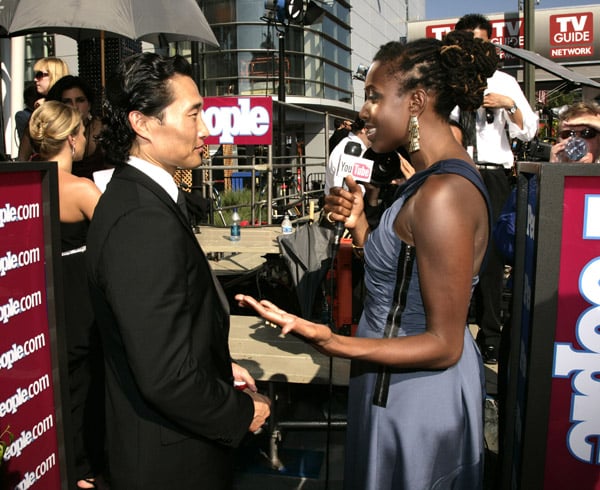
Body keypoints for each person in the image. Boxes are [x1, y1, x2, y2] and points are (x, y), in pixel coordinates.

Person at [237, 30, 497, 489]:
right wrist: (361, 225)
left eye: (375, 97)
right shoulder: (429, 180)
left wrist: (331, 342)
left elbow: (444, 343)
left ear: (415, 102)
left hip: (416, 397)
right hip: (386, 381)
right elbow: (408, 270)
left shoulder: (443, 194)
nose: (364, 111)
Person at [86, 52, 271, 490]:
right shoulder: (140, 219)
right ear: (144, 124)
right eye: (193, 115)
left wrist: (215, 366)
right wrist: (243, 411)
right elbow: (165, 375)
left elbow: (163, 329)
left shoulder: (148, 199)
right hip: (168, 461)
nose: (206, 130)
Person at [453, 13, 539, 365]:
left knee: (492, 256)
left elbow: (529, 129)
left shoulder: (504, 81)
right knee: (454, 248)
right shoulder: (449, 81)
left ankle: (490, 333)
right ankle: (454, 326)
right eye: (469, 43)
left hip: (495, 173)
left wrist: (510, 105)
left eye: (481, 43)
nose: (476, 50)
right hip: (459, 170)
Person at [29, 101, 104, 489]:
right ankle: (81, 470)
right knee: (82, 393)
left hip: (34, 302)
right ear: (73, 140)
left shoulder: (24, 184)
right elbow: (117, 241)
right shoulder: (81, 190)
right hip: (79, 306)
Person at [47, 75, 110, 180]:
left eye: (80, 100)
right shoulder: (49, 132)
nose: (75, 107)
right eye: (67, 101)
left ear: (89, 105)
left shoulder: (104, 129)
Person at [18, 57, 70, 161]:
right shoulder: (39, 105)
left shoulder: (66, 106)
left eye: (40, 75)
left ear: (54, 75)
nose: (35, 79)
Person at [325, 116, 370, 194]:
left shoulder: (351, 145)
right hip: (345, 202)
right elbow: (342, 189)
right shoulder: (352, 150)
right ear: (364, 129)